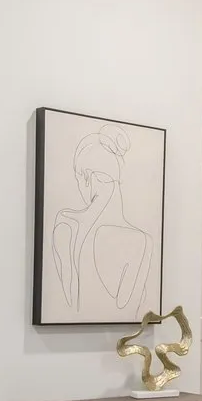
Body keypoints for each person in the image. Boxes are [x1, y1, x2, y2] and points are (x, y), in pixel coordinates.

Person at [52, 125, 151, 315]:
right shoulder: (141, 241)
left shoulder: (66, 223)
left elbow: (68, 303)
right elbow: (129, 312)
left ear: (87, 177)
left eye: (78, 177)